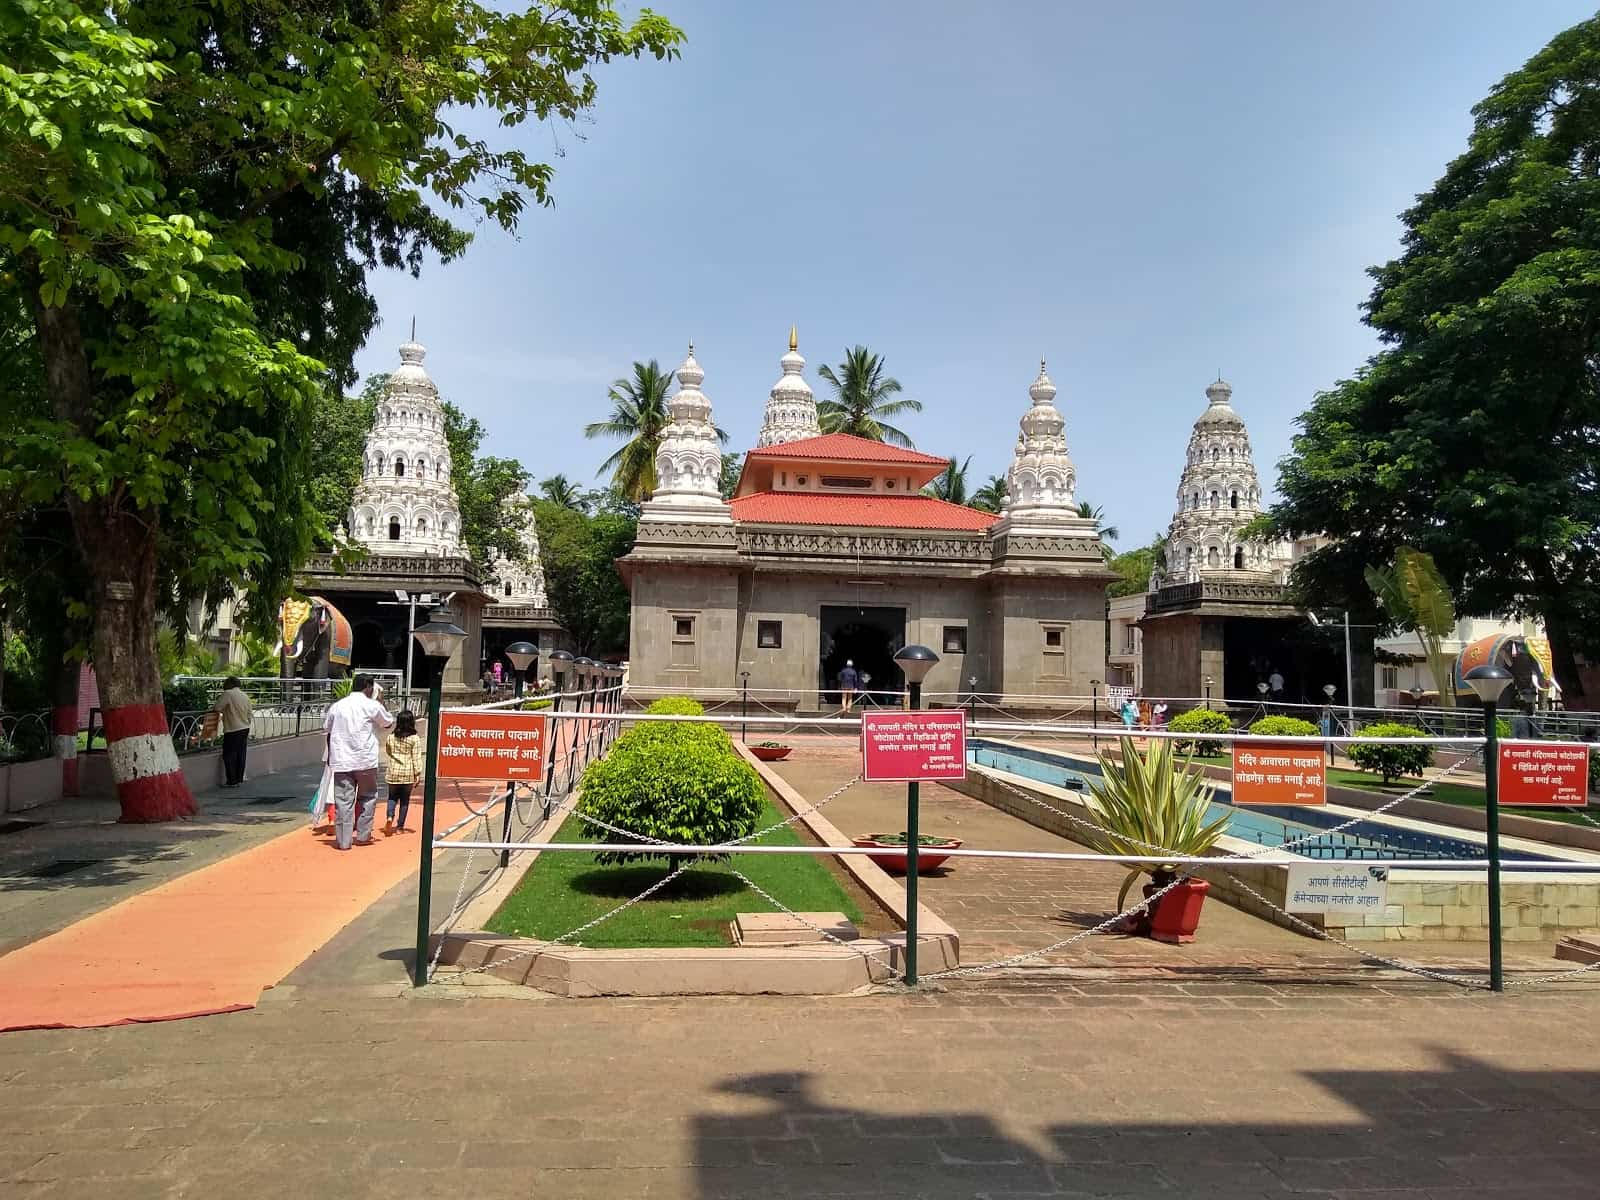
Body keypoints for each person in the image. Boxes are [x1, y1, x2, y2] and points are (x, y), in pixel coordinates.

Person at [323, 674, 395, 850]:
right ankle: (363, 836)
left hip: (342, 761)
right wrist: (381, 700)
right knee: (367, 797)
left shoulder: (337, 706)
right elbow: (388, 723)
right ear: (368, 687)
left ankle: (343, 841)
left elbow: (327, 729)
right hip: (365, 761)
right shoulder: (372, 705)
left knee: (343, 801)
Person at [381, 710, 423, 836]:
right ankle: (400, 827)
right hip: (407, 772)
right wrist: (418, 773)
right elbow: (416, 757)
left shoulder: (391, 737)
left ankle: (389, 816)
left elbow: (388, 751)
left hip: (393, 771)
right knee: (404, 801)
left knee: (392, 797)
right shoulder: (414, 739)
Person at [209, 676, 253, 787]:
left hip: (233, 729)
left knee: (229, 755)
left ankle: (231, 781)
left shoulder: (228, 694)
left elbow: (217, 708)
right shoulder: (244, 695)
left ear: (230, 684)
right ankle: (238, 779)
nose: (224, 685)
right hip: (245, 728)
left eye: (225, 683)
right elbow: (249, 714)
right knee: (241, 754)